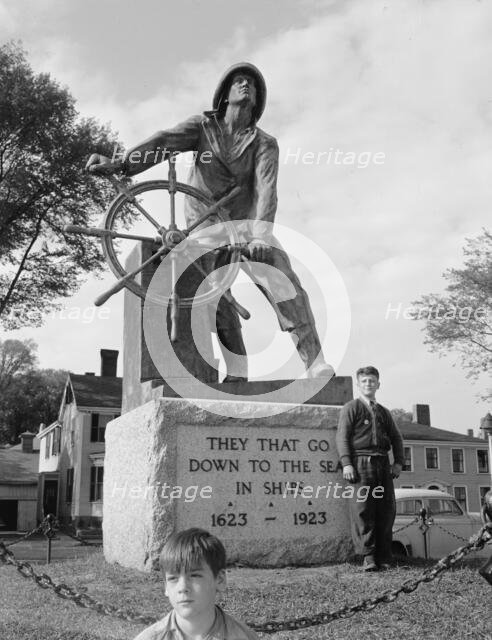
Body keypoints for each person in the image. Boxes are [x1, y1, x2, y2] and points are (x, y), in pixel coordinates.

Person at [86, 62, 333, 382]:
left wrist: (259, 235)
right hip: (203, 224)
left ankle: (315, 363)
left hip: (246, 226)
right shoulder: (203, 127)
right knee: (208, 285)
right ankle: (238, 368)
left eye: (252, 85)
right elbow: (163, 142)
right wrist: (121, 164)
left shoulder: (264, 143)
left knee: (283, 279)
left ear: (257, 100)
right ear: (224, 95)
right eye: (239, 81)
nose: (246, 86)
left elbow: (267, 190)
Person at [336, 366, 404, 571]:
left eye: (372, 381)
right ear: (358, 384)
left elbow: (396, 438)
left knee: (386, 509)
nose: (368, 384)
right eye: (364, 381)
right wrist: (347, 463)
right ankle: (369, 556)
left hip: (382, 464)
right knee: (363, 509)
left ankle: (385, 555)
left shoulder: (384, 412)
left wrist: (398, 462)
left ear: (378, 384)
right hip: (360, 463)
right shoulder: (351, 408)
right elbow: (342, 437)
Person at [133, 528, 258, 640]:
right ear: (165, 586)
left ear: (220, 580)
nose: (182, 588)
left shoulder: (243, 636)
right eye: (173, 579)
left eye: (194, 576)